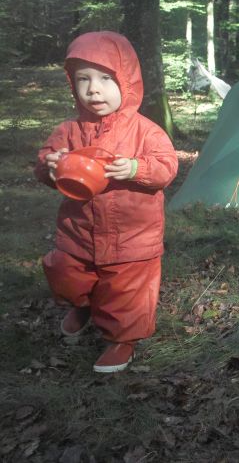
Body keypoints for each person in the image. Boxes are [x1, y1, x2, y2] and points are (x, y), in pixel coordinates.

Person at [34, 31, 178, 373]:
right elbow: (44, 161)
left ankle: (122, 340)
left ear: (126, 81)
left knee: (125, 290)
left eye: (105, 78)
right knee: (65, 271)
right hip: (78, 231)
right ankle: (82, 303)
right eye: (83, 79)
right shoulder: (68, 130)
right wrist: (51, 165)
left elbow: (167, 166)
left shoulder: (146, 130)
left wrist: (134, 168)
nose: (93, 89)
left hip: (131, 236)